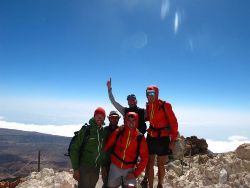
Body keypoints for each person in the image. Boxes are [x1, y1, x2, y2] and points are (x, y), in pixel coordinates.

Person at [142, 86, 178, 188]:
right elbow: (151, 117)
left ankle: (160, 184)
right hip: (151, 137)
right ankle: (150, 186)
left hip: (163, 138)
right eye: (148, 94)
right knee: (150, 163)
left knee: (160, 164)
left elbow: (174, 123)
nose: (150, 96)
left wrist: (173, 140)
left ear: (156, 94)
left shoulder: (165, 105)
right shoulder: (149, 106)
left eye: (152, 93)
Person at [104, 112, 148, 188]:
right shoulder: (119, 131)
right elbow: (107, 145)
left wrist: (135, 174)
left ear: (136, 121)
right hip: (115, 166)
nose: (131, 122)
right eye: (129, 120)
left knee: (131, 187)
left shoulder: (140, 137)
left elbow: (145, 157)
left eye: (133, 120)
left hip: (129, 169)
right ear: (125, 121)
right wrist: (103, 165)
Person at [70, 107, 109, 188]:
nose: (99, 118)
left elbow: (103, 151)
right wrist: (76, 169)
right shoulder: (86, 130)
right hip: (84, 166)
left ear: (104, 118)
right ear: (94, 117)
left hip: (96, 168)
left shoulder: (103, 132)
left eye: (102, 116)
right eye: (97, 115)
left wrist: (103, 166)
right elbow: (74, 149)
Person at [102, 110, 121, 188]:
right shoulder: (104, 130)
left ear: (118, 119)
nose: (114, 119)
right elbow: (102, 148)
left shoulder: (122, 131)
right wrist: (103, 166)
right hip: (106, 161)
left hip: (117, 162)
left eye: (116, 118)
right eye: (112, 118)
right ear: (109, 119)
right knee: (106, 182)